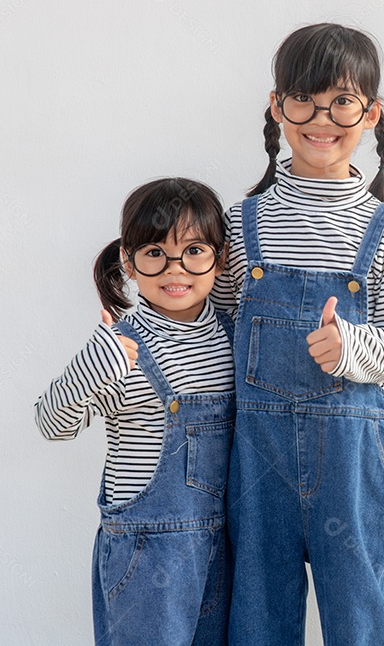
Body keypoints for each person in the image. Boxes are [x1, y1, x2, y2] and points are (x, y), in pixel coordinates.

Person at [211, 23, 384, 645]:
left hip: (355, 464)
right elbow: (215, 333)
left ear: (370, 113)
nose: (321, 117)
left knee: (360, 616)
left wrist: (353, 348)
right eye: (302, 98)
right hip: (257, 461)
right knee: (257, 617)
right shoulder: (241, 222)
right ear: (277, 107)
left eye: (341, 100)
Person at [35, 178, 235, 646]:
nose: (175, 269)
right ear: (129, 260)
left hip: (227, 549)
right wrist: (91, 369)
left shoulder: (232, 336)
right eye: (154, 253)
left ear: (219, 257)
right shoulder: (121, 345)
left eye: (193, 251)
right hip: (149, 554)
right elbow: (51, 424)